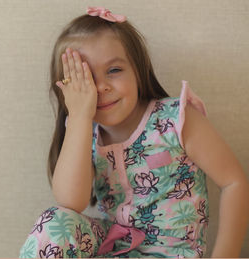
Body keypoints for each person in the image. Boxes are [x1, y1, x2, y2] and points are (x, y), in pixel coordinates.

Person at [19, 6, 249, 258]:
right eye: (85, 79)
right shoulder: (84, 133)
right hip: (113, 246)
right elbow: (71, 201)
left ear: (137, 71)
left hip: (171, 252)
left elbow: (233, 182)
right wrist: (78, 118)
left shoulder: (176, 119)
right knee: (54, 221)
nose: (101, 87)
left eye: (114, 70)